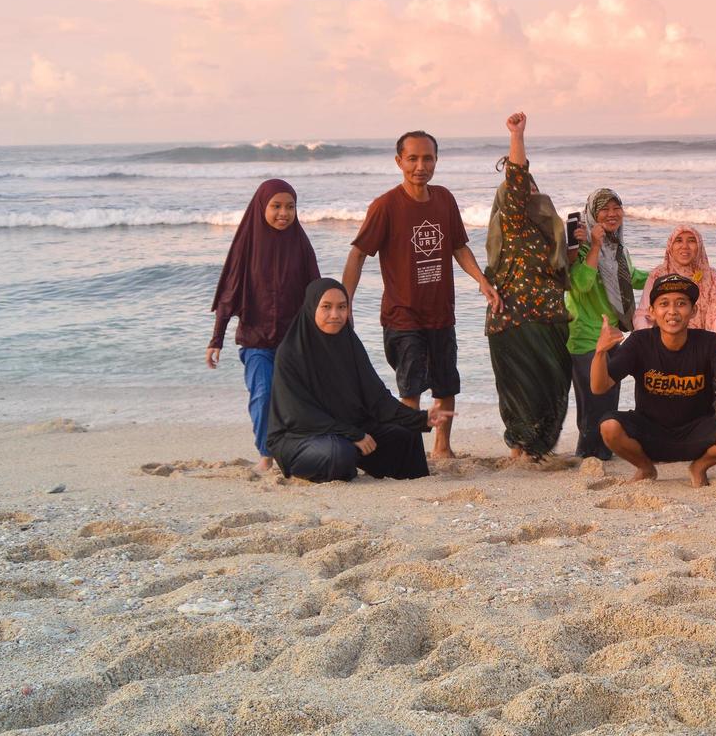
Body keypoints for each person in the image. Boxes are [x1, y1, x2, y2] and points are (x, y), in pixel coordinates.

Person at [342, 130, 502, 459]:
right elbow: (358, 254)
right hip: (403, 315)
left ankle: (442, 448)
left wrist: (481, 281)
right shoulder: (385, 206)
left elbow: (459, 246)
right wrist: (345, 302)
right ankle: (410, 449)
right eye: (412, 158)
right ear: (399, 161)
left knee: (446, 385)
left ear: (436, 161)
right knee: (411, 387)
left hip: (441, 312)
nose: (420, 165)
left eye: (427, 158)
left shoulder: (444, 198)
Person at [266, 279, 450, 482]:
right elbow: (298, 415)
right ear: (311, 307)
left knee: (406, 433)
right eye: (326, 307)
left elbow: (377, 399)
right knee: (338, 453)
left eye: (342, 307)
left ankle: (410, 479)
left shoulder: (350, 345)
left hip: (348, 431)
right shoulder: (291, 353)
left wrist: (420, 418)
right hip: (300, 436)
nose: (335, 315)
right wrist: (353, 434)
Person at [592, 275, 716, 487]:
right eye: (664, 304)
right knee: (609, 427)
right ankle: (645, 468)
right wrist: (599, 352)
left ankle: (700, 466)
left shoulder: (709, 342)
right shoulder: (639, 342)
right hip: (650, 431)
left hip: (697, 433)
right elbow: (599, 387)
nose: (672, 311)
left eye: (681, 304)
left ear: (693, 311)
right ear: (652, 312)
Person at [206, 178, 321, 472]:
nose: (284, 213)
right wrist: (216, 339)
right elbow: (229, 294)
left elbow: (316, 294)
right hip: (256, 341)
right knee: (264, 393)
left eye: (291, 207)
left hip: (294, 341)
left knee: (296, 398)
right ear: (261, 207)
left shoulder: (301, 244)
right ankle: (266, 456)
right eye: (276, 206)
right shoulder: (247, 245)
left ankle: (293, 451)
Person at [484, 112, 572, 460]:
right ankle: (522, 450)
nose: (527, 194)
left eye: (533, 189)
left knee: (554, 387)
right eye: (521, 191)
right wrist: (517, 136)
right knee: (520, 392)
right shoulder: (514, 222)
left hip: (551, 320)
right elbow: (517, 178)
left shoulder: (551, 235)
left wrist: (579, 247)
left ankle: (536, 450)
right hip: (514, 321)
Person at [567, 188, 649, 460]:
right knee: (592, 403)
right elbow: (581, 283)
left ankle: (602, 453)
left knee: (609, 398)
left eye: (617, 208)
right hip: (584, 337)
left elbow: (633, 277)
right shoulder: (579, 248)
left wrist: (667, 273)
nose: (612, 214)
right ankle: (587, 456)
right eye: (605, 209)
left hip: (613, 335)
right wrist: (594, 246)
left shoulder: (617, 248)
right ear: (592, 213)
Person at [635, 226, 716, 334]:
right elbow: (643, 314)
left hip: (701, 342)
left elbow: (715, 314)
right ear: (671, 246)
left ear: (699, 246)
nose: (685, 246)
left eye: (691, 241)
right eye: (678, 241)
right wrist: (648, 332)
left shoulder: (711, 276)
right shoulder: (658, 275)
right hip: (664, 341)